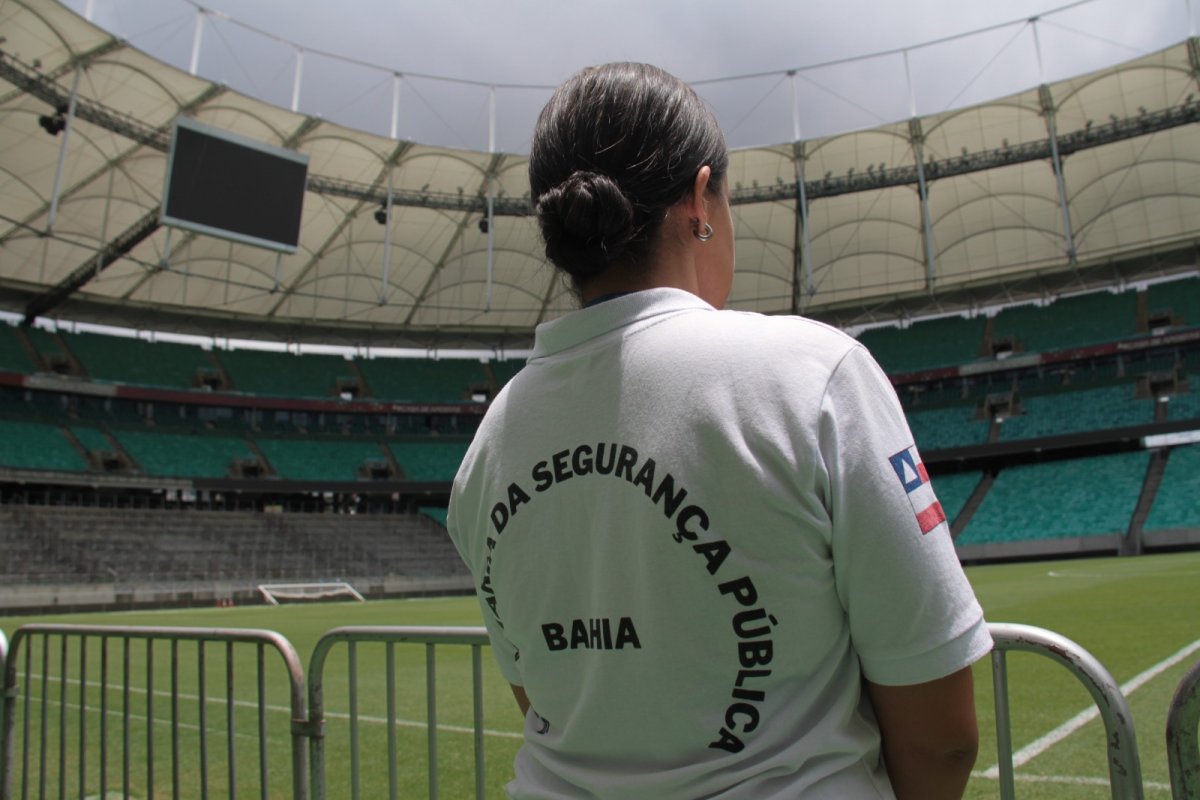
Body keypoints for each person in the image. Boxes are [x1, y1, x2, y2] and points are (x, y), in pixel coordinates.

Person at [447, 62, 992, 799]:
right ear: (702, 200)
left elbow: (548, 702)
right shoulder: (813, 373)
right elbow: (941, 734)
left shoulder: (488, 447)